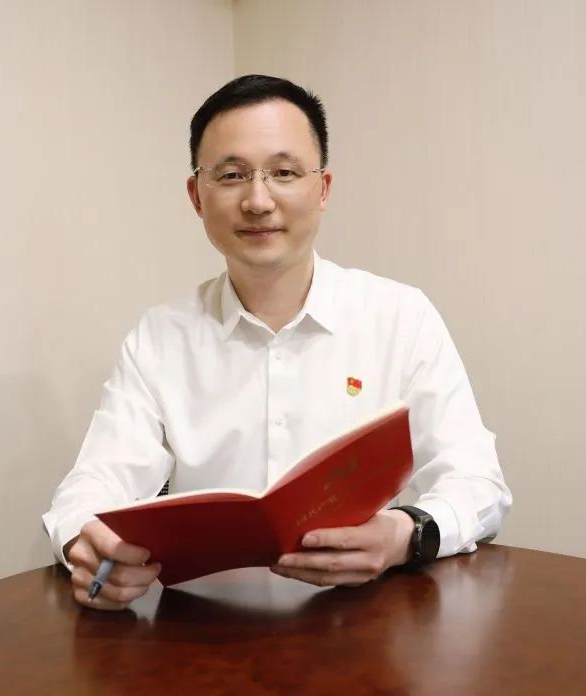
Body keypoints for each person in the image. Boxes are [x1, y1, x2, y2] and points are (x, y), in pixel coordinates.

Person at [43, 75, 512, 611]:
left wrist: (404, 534)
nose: (258, 200)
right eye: (232, 175)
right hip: (198, 634)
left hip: (366, 628)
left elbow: (478, 481)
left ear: (323, 188)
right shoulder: (160, 337)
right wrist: (84, 543)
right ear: (197, 196)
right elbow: (94, 482)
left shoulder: (400, 318)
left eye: (284, 173)